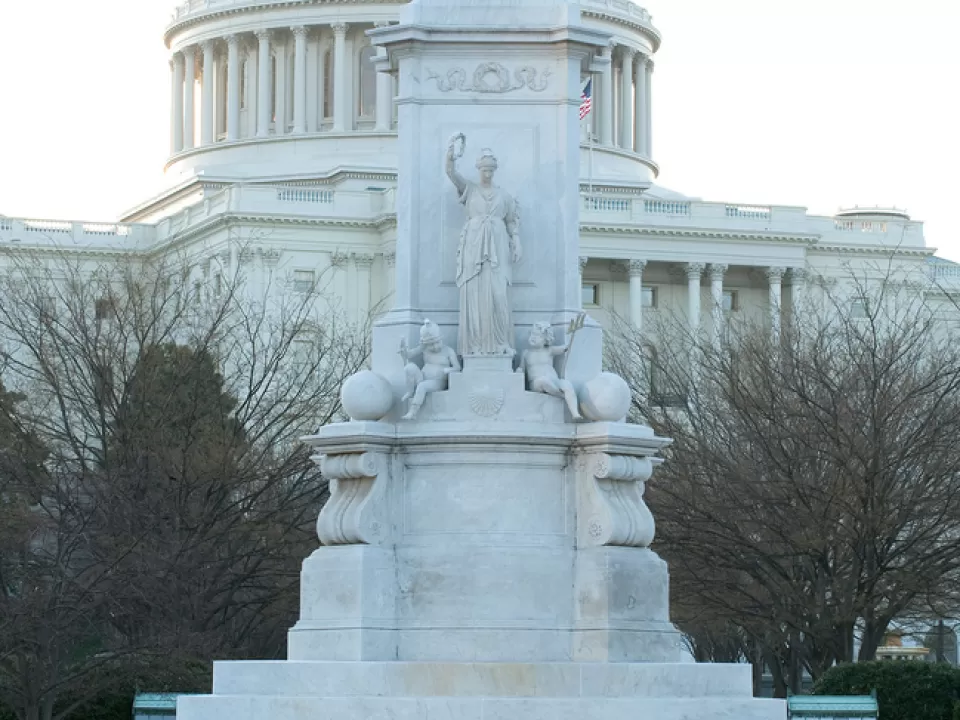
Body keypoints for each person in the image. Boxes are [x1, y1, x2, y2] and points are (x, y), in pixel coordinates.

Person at [446, 137, 522, 356]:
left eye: (490, 170)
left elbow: (511, 221)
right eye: (484, 170)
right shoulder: (469, 189)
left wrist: (516, 240)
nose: (487, 174)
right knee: (475, 295)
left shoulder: (504, 195)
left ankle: (500, 343)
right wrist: (450, 157)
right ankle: (475, 345)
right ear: (479, 169)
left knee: (499, 295)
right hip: (474, 244)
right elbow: (451, 174)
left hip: (498, 245)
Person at [516, 321, 582, 419]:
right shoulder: (526, 353)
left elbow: (565, 348)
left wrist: (572, 336)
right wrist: (519, 371)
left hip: (553, 380)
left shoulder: (549, 350)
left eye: (538, 336)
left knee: (567, 385)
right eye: (532, 334)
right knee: (543, 381)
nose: (533, 337)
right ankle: (561, 395)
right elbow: (522, 368)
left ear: (546, 340)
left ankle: (575, 414)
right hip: (536, 382)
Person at [400, 319, 460, 420]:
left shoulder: (448, 351)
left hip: (439, 381)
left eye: (437, 342)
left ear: (441, 339)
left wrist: (447, 370)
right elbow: (409, 355)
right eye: (431, 345)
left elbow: (457, 368)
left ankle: (413, 411)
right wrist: (403, 350)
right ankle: (410, 391)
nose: (435, 347)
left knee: (422, 386)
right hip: (423, 377)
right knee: (409, 368)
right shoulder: (424, 349)